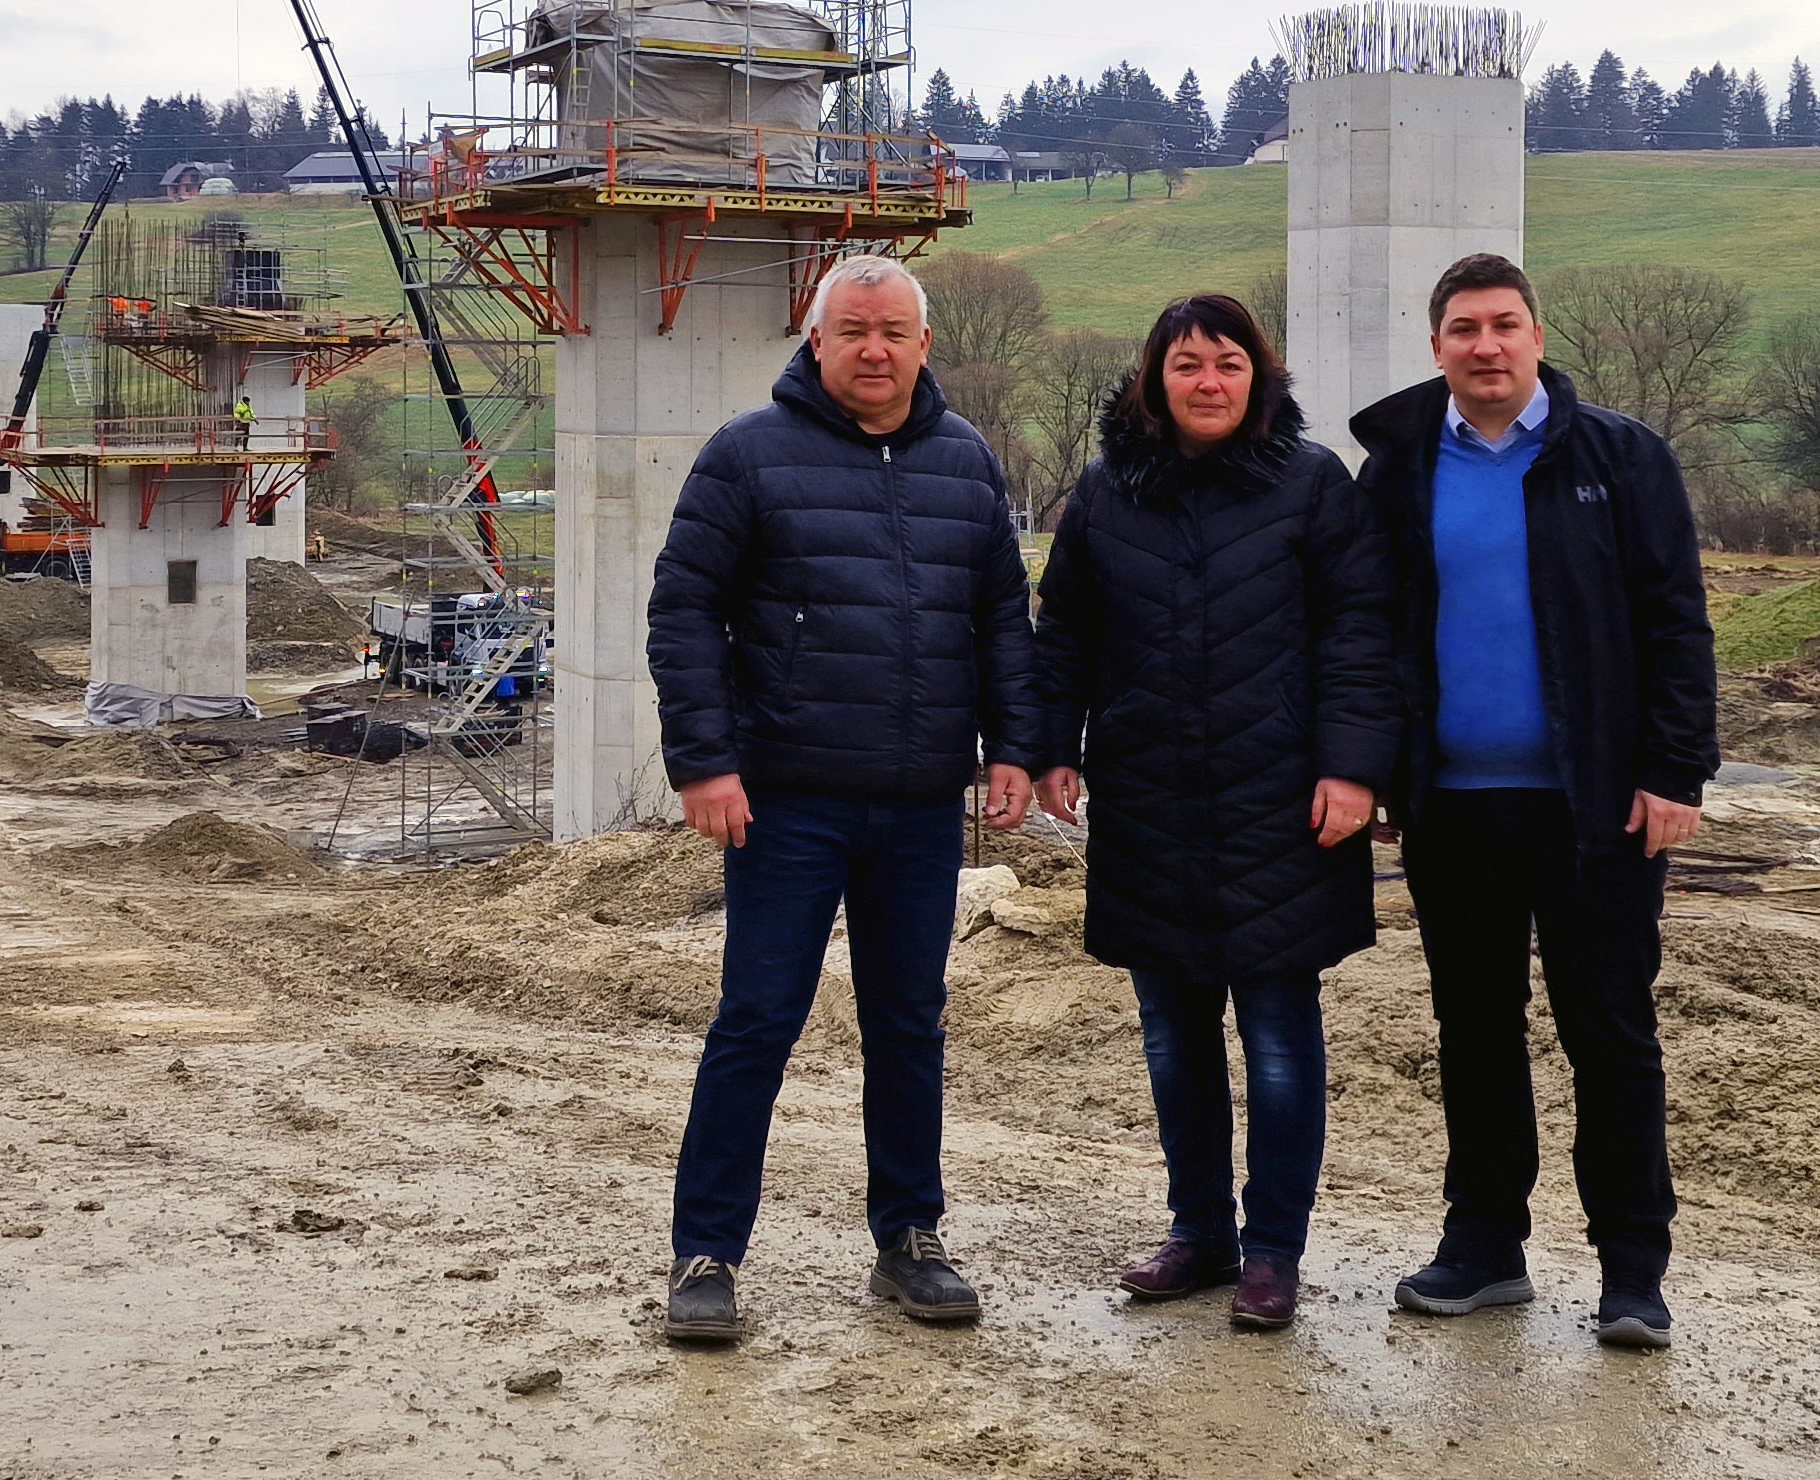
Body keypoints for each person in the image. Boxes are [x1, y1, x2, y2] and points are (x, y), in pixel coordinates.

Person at [647, 253, 1042, 1344]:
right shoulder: (747, 454)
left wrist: (1014, 746)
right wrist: (704, 762)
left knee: (909, 1023)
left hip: (920, 802)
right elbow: (685, 610)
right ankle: (706, 1253)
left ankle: (910, 1236)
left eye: (894, 332)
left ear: (923, 345)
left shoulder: (966, 461)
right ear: (816, 340)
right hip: (786, 800)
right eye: (854, 331)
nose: (875, 350)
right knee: (757, 1021)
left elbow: (1002, 618)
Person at [1350, 253, 1719, 1350]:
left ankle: (1632, 1271)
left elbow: (1677, 620)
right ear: (1436, 347)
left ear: (1537, 337)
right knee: (1474, 1028)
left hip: (1596, 806)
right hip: (1454, 806)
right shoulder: (1399, 468)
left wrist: (1675, 770)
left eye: (1504, 325)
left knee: (1609, 1030)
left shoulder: (1620, 458)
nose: (1486, 346)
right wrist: (1378, 766)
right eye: (1465, 329)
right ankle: (1484, 1247)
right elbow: (1367, 631)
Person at [1033, 294, 1400, 1330]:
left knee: (1278, 1036)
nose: (1207, 382)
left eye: (1228, 363)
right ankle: (1198, 1232)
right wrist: (1054, 744)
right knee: (1172, 1035)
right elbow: (1065, 632)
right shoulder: (1105, 493)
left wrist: (1354, 769)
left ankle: (1273, 1251)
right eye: (1187, 364)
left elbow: (1361, 632)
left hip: (1283, 804)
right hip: (1149, 797)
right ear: (1154, 380)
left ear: (1258, 377)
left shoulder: (1314, 486)